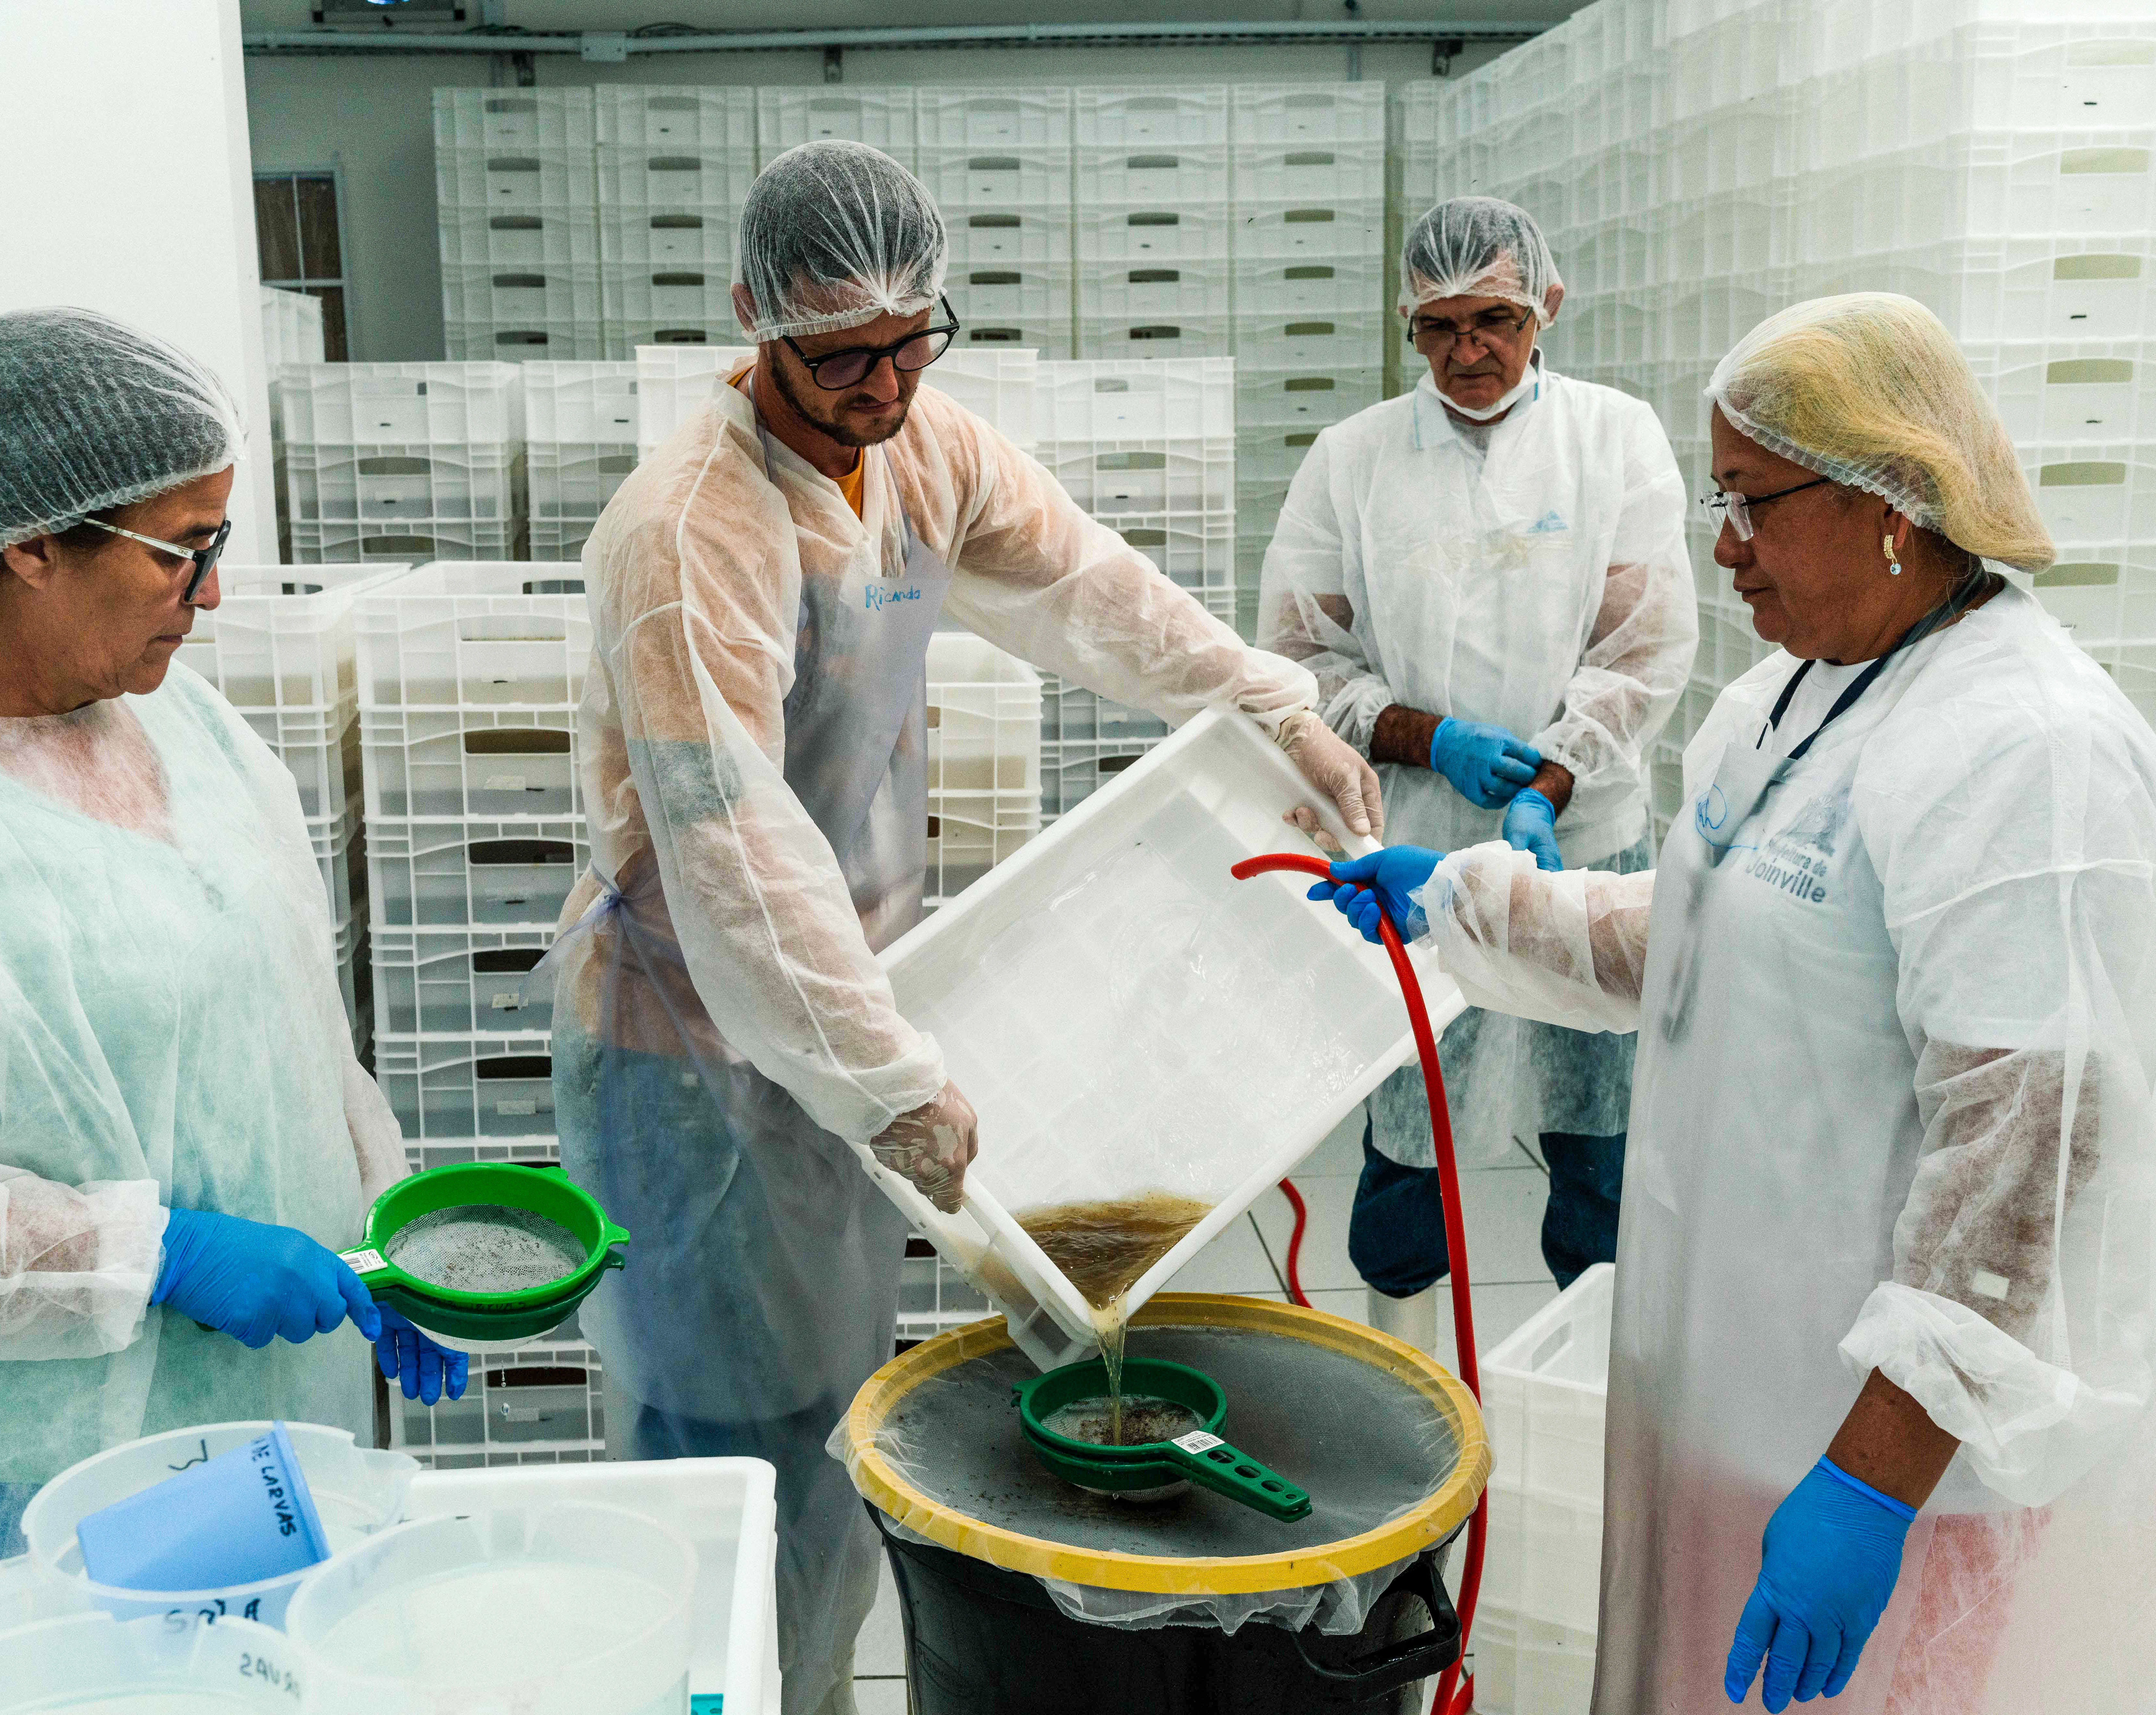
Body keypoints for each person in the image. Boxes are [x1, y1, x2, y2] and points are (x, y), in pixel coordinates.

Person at [547, 140, 1382, 1715]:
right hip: (696, 1050)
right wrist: (885, 1078)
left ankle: (807, 1695)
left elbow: (1098, 595)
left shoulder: (923, 448)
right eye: (839, 353)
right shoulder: (688, 537)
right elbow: (730, 847)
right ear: (751, 321)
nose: (880, 381)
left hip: (845, 1011)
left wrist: (1274, 706)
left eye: (910, 339)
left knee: (830, 1421)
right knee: (734, 1460)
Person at [1312, 293, 2156, 1713]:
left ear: (1891, 501)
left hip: (1888, 1466)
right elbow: (1703, 932)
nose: (1720, 549)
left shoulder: (2022, 750)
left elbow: (2025, 1154)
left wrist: (1872, 1482)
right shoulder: (1790, 694)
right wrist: (1457, 898)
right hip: (1731, 1400)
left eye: (1751, 504)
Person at [0, 308, 464, 1665]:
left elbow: (290, 1026)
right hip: (42, 1489)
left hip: (271, 1428)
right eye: (182, 550)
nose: (211, 595)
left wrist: (382, 1230)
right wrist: (155, 1257)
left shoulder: (177, 718)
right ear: (30, 545)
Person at [1258, 196, 1695, 1351]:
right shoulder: (1353, 462)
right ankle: (1401, 1375)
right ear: (1411, 327)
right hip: (1417, 846)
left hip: (1583, 847)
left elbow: (1645, 649)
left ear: (1546, 307)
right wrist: (1422, 736)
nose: (1468, 352)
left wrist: (1550, 783)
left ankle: (1594, 1382)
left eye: (1494, 320)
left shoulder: (1616, 439)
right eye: (1439, 327)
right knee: (1412, 1132)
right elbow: (1299, 660)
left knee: (1595, 1126)